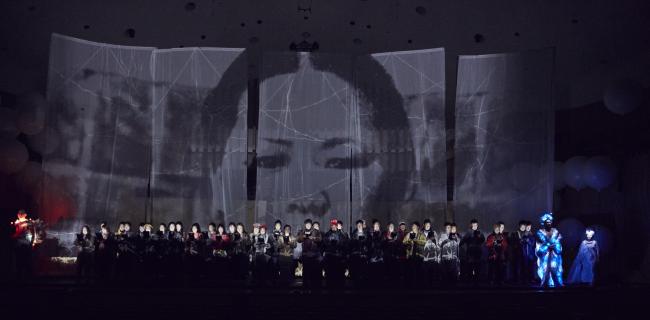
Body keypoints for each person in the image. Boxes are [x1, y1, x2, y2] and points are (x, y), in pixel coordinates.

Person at [536, 212, 563, 287]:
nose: (549, 223)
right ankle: (545, 284)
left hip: (554, 255)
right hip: (545, 256)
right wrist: (549, 244)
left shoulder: (555, 231)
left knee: (555, 270)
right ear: (543, 223)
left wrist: (555, 243)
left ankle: (557, 284)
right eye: (547, 222)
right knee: (545, 270)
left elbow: (558, 243)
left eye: (550, 222)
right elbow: (543, 242)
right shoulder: (540, 232)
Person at [297, 219, 322, 289]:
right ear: (305, 225)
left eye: (309, 224)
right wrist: (303, 237)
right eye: (307, 224)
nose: (308, 225)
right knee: (305, 271)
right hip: (305, 254)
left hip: (313, 254)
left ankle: (313, 286)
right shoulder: (302, 231)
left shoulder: (315, 231)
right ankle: (305, 285)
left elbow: (320, 239)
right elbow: (298, 239)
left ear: (311, 225)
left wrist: (313, 238)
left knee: (313, 271)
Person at [323, 219, 348, 288]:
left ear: (337, 226)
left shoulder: (341, 234)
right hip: (330, 257)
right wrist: (330, 244)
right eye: (332, 225)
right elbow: (324, 243)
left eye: (335, 225)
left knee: (339, 275)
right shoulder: (327, 234)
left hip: (338, 257)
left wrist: (338, 245)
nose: (334, 226)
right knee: (330, 275)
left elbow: (344, 244)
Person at [460, 219, 485, 285]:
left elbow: (483, 240)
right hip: (470, 253)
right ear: (471, 225)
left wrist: (479, 237)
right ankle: (470, 282)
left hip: (477, 253)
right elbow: (462, 242)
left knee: (477, 268)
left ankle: (476, 282)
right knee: (470, 268)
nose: (475, 226)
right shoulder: (468, 233)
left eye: (476, 225)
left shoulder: (480, 232)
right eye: (473, 225)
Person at [11, 209, 34, 280]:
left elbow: (21, 232)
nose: (19, 215)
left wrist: (14, 236)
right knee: (21, 260)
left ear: (24, 215)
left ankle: (25, 276)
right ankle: (22, 276)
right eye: (19, 214)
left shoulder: (26, 222)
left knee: (23, 260)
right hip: (22, 243)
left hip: (24, 243)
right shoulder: (18, 222)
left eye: (21, 214)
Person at [403, 221, 426, 287]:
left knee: (419, 271)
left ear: (418, 227)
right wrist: (409, 241)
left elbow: (424, 242)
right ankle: (411, 285)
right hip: (411, 255)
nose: (413, 227)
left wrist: (416, 240)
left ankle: (419, 285)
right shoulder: (409, 234)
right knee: (411, 270)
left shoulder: (421, 234)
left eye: (414, 226)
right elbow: (404, 242)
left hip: (419, 255)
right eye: (412, 226)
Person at [349, 219, 370, 286]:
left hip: (364, 251)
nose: (359, 226)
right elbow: (351, 242)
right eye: (358, 225)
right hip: (356, 251)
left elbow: (368, 241)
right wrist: (356, 241)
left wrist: (364, 241)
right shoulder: (354, 232)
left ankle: (363, 278)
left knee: (363, 265)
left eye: (360, 225)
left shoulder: (366, 232)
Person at [421, 221, 440, 288]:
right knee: (426, 272)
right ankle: (426, 285)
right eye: (426, 225)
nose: (428, 226)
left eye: (429, 225)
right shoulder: (421, 233)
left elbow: (437, 243)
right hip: (425, 256)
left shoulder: (434, 232)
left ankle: (433, 285)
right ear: (424, 225)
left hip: (433, 257)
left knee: (433, 272)